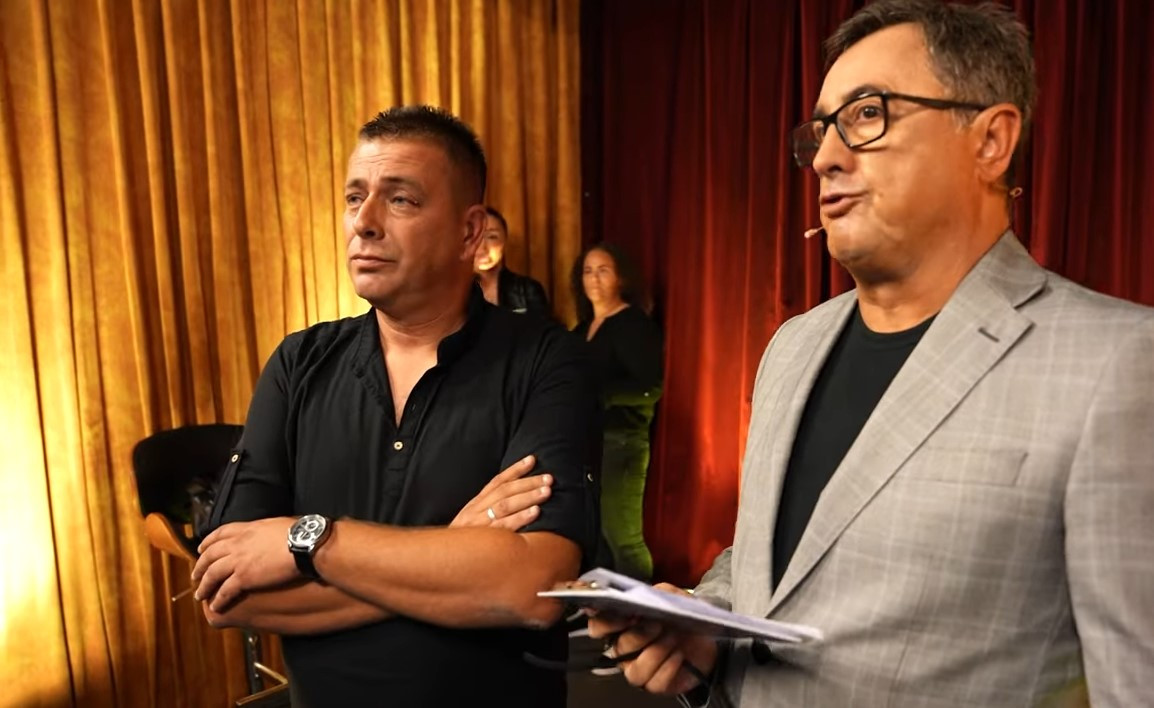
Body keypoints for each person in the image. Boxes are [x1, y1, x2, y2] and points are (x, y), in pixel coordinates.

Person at [589, 2, 1154, 706]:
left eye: (867, 115)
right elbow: (777, 562)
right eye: (822, 130)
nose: (826, 157)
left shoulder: (1119, 364)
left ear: (990, 141)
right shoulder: (792, 347)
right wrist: (707, 626)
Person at [190, 105, 601, 707]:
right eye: (355, 198)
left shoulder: (548, 360)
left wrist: (309, 542)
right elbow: (228, 595)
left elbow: (530, 589)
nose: (364, 223)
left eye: (401, 200)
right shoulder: (299, 363)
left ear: (469, 232)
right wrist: (453, 549)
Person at [571, 244, 663, 581]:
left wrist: (601, 396)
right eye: (587, 271)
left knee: (623, 537)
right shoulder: (581, 330)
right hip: (590, 445)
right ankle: (609, 607)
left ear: (621, 278)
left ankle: (643, 605)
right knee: (598, 536)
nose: (594, 279)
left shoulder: (632, 324)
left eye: (603, 270)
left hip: (622, 442)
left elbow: (650, 386)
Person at [475, 206, 551, 316]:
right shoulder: (454, 293)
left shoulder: (526, 290)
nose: (482, 248)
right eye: (475, 237)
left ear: (505, 241)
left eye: (492, 237)